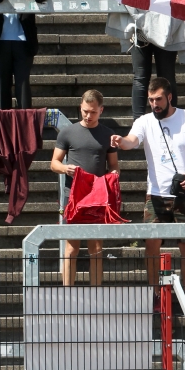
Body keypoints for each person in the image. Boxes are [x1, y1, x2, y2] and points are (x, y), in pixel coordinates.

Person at [111, 77, 185, 314]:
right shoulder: (145, 121)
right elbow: (131, 141)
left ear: (169, 97)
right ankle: (156, 295)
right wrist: (120, 141)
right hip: (156, 194)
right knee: (151, 245)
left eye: (158, 99)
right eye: (150, 100)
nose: (154, 104)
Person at [51, 90, 118, 286]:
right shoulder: (68, 132)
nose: (88, 116)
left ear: (101, 110)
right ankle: (67, 291)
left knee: (96, 247)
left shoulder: (107, 134)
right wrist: (65, 168)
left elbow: (114, 165)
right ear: (80, 107)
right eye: (85, 111)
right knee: (71, 246)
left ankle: (96, 291)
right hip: (73, 195)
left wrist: (113, 176)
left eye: (93, 112)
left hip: (97, 196)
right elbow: (54, 163)